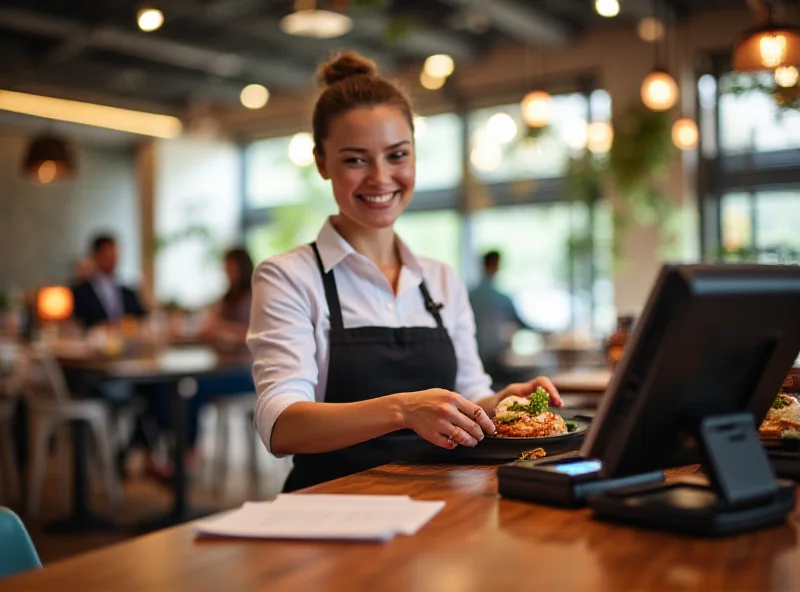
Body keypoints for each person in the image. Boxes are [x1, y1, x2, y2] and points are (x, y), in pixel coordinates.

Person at [247, 51, 562, 493]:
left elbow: (471, 393)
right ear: (322, 163)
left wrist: (505, 404)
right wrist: (403, 409)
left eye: (397, 155)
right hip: (330, 505)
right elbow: (281, 425)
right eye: (355, 160)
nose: (380, 177)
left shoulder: (441, 278)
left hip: (443, 499)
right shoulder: (289, 277)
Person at [469, 250, 535, 383]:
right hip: (494, 356)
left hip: (473, 355)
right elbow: (519, 321)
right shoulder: (500, 298)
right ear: (496, 265)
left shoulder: (469, 295)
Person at [71, 234, 146, 329]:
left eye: (114, 253)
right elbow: (78, 324)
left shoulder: (129, 293)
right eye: (107, 253)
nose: (112, 258)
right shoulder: (80, 292)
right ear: (95, 256)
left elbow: (142, 319)